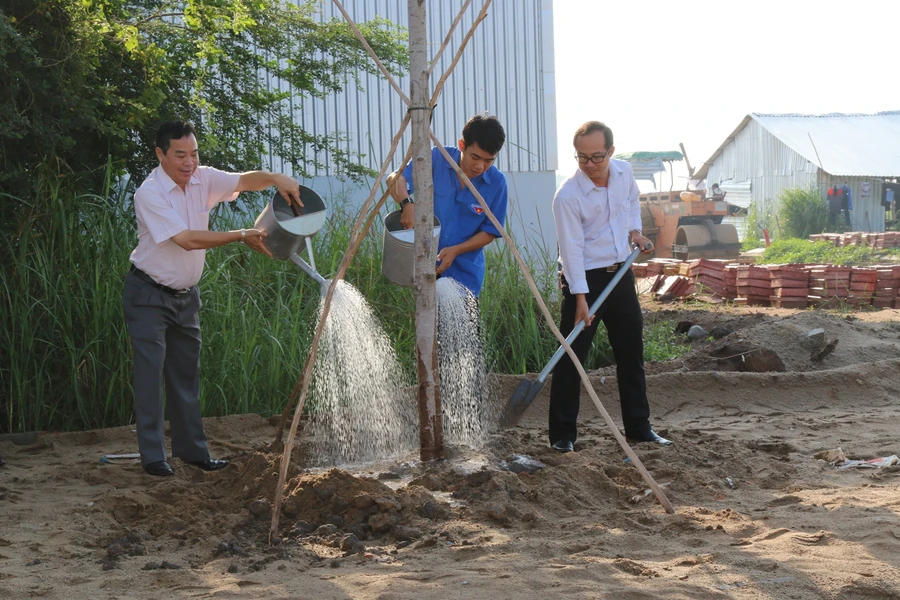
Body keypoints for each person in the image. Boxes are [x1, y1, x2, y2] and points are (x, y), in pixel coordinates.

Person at [124, 120, 301, 477]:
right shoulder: (150, 193)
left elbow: (241, 181)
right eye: (180, 155)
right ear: (160, 154)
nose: (188, 163)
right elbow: (187, 239)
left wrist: (276, 178)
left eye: (194, 154)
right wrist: (239, 235)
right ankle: (155, 457)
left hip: (185, 296)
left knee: (186, 375)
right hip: (148, 295)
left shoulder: (202, 178)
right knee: (149, 374)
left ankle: (192, 453)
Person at [548, 121, 671, 453]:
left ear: (611, 152)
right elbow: (571, 251)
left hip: (621, 276)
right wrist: (580, 299)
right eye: (582, 158)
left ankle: (639, 427)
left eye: (597, 157)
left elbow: (632, 201)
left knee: (631, 354)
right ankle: (562, 435)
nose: (590, 164)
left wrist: (635, 232)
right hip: (583, 279)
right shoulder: (568, 197)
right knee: (572, 356)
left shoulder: (623, 173)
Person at [385, 113, 508, 297]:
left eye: (488, 160)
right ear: (462, 145)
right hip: (423, 270)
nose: (480, 166)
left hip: (465, 279)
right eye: (475, 157)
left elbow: (490, 231)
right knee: (426, 323)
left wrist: (456, 250)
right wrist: (406, 204)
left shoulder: (497, 184)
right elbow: (394, 179)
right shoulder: (437, 159)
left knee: (462, 324)